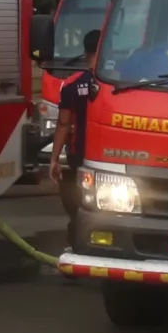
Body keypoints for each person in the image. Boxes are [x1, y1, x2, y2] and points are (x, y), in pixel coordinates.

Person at [49, 28, 102, 220]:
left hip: (79, 155)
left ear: (85, 53)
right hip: (109, 156)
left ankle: (77, 238)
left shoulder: (72, 84)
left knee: (78, 205)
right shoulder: (118, 83)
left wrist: (54, 159)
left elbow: (64, 124)